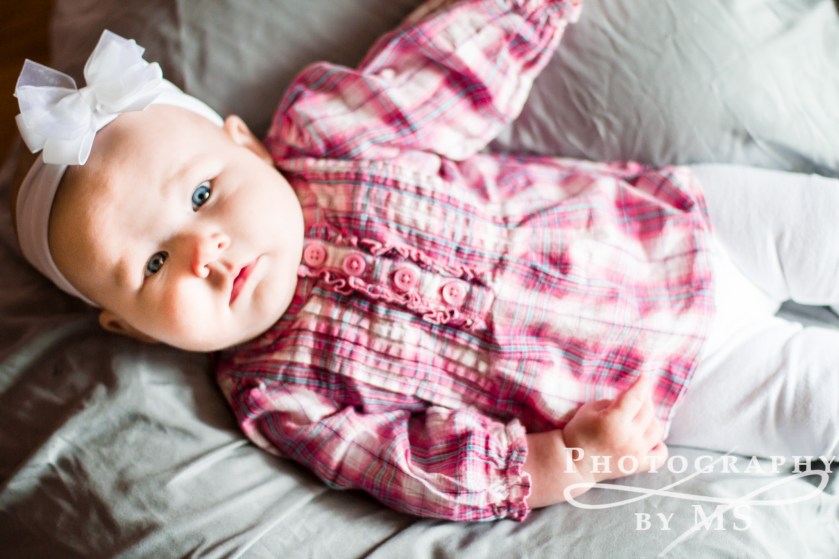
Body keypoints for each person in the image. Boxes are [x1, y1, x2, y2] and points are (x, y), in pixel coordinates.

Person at [10, 0, 839, 522]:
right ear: (133, 329)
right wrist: (566, 459)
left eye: (201, 195)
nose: (205, 252)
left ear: (246, 145)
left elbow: (442, 73)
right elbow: (411, 464)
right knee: (819, 402)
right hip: (668, 389)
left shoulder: (329, 138)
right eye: (154, 265)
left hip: (677, 222)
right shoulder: (276, 394)